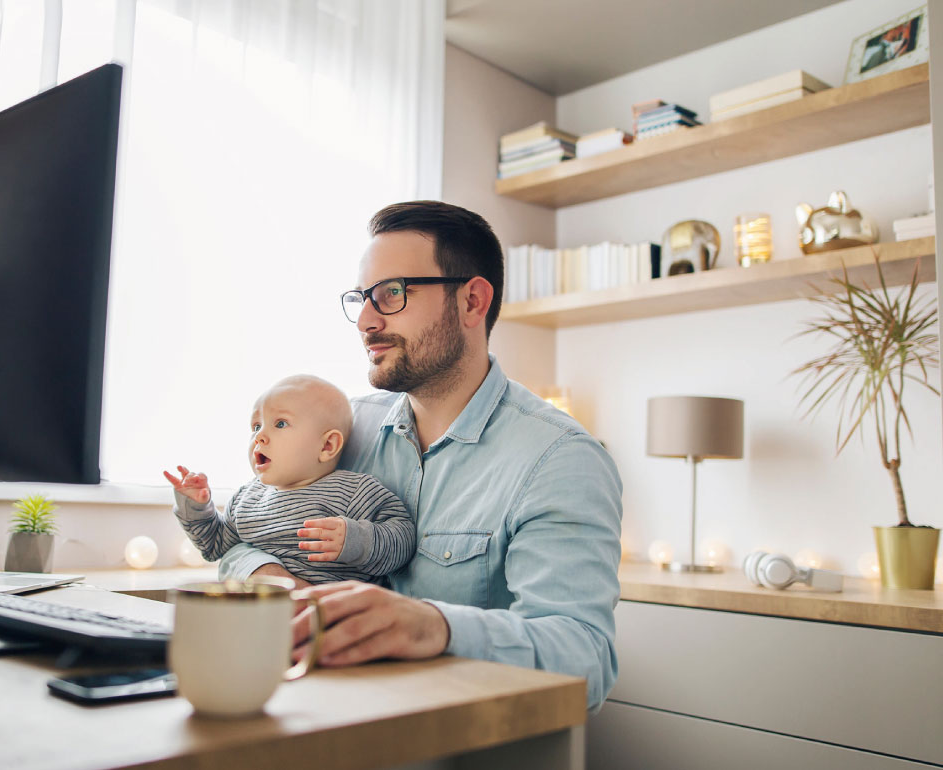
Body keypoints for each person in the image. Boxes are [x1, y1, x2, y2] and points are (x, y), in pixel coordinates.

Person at [219, 201, 623, 712]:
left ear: (472, 301)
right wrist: (267, 576)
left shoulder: (560, 459)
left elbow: (585, 660)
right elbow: (236, 537)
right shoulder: (341, 431)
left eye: (392, 294)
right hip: (316, 721)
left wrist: (436, 626)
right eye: (362, 298)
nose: (365, 320)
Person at [164, 374, 415, 585]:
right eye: (255, 426)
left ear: (327, 445)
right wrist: (195, 506)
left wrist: (356, 540)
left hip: (334, 621)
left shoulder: (355, 492)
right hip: (262, 617)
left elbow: (403, 538)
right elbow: (214, 547)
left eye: (280, 423)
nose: (259, 436)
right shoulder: (245, 499)